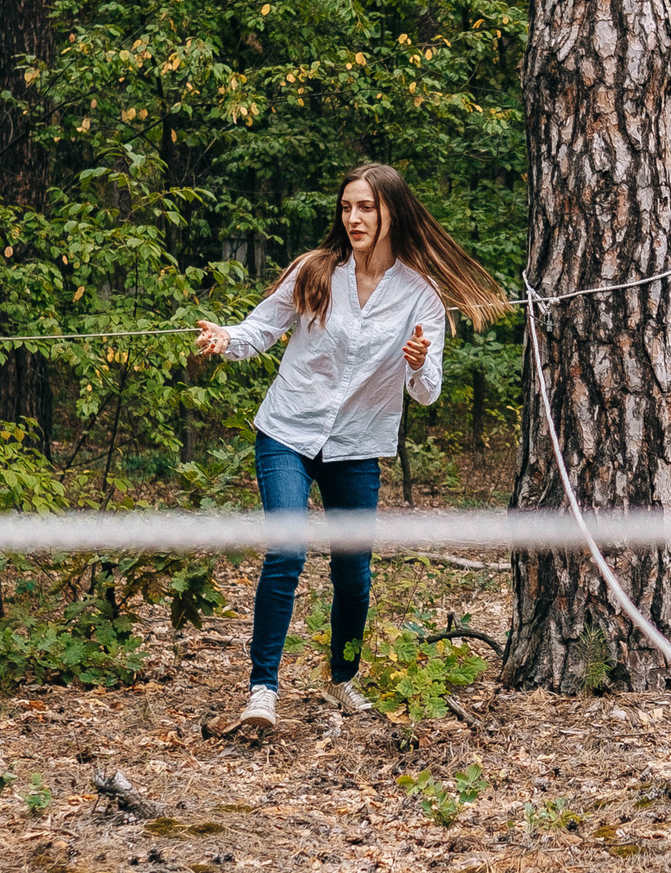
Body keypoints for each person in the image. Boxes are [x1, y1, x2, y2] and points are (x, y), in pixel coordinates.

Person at [195, 163, 506, 735]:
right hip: (288, 430)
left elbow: (428, 389)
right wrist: (225, 338)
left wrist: (417, 364)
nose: (354, 218)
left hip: (357, 445)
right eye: (347, 207)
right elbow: (260, 330)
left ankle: (343, 678)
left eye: (366, 207)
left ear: (392, 211)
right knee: (286, 552)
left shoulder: (420, 296)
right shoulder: (315, 271)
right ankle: (262, 689)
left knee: (353, 574)